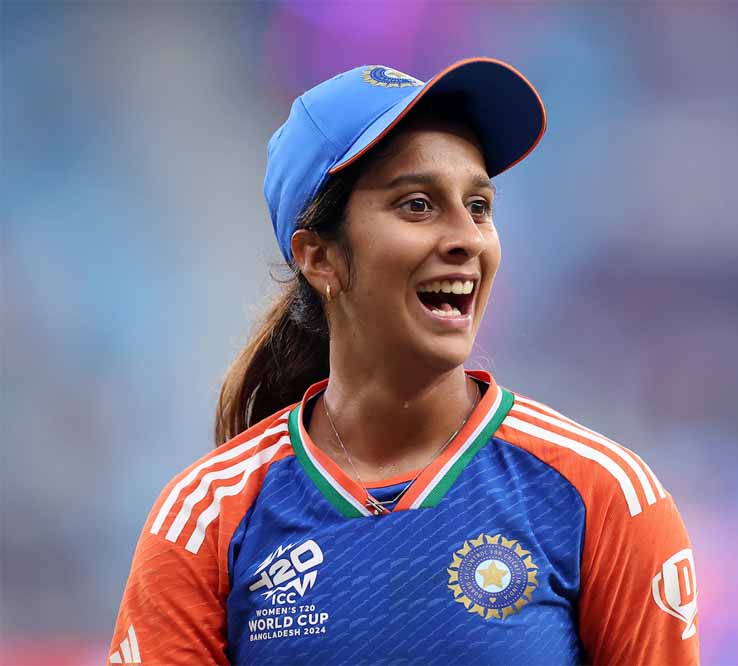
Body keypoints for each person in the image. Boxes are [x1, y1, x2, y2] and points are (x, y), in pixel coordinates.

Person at [109, 57, 700, 665]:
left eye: (479, 206)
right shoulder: (206, 521)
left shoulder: (602, 497)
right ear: (319, 257)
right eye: (418, 205)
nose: (467, 239)